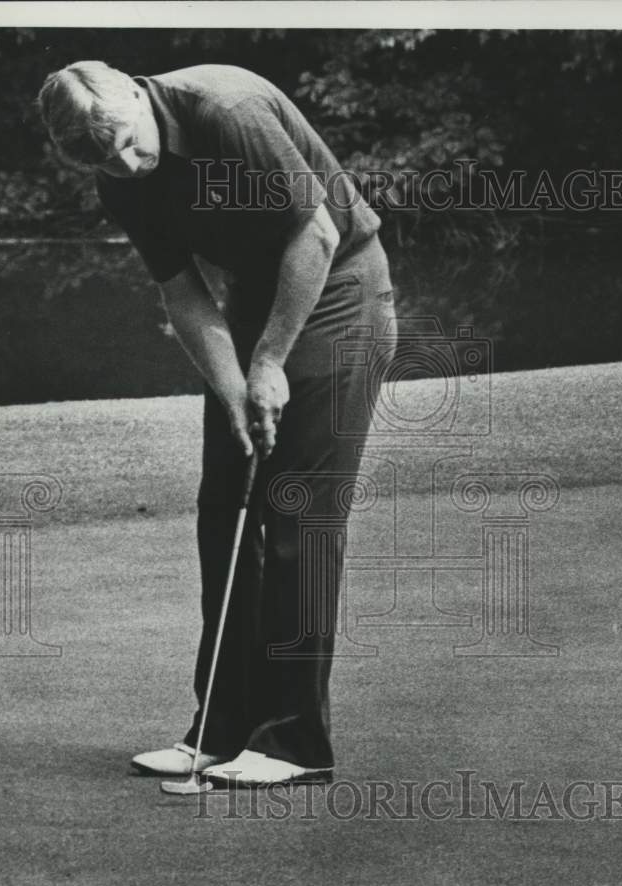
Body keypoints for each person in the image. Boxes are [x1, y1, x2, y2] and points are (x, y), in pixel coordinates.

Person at [38, 61, 396, 785]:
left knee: (295, 510)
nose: (128, 165)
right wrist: (236, 390)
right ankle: (223, 727)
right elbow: (183, 293)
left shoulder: (225, 111)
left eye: (131, 145)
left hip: (340, 287)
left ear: (135, 95)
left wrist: (268, 363)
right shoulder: (117, 179)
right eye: (107, 160)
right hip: (255, 296)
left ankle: (297, 743)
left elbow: (318, 236)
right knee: (225, 507)